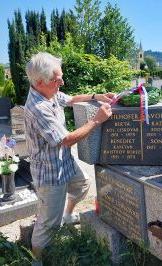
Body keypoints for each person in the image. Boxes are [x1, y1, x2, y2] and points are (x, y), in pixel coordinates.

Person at [24, 52, 114, 261]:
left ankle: (67, 214)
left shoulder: (49, 92)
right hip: (50, 174)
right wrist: (96, 120)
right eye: (57, 80)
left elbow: (72, 99)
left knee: (83, 185)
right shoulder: (37, 108)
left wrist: (96, 96)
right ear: (40, 82)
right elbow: (66, 140)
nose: (62, 83)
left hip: (63, 163)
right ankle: (38, 259)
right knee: (47, 225)